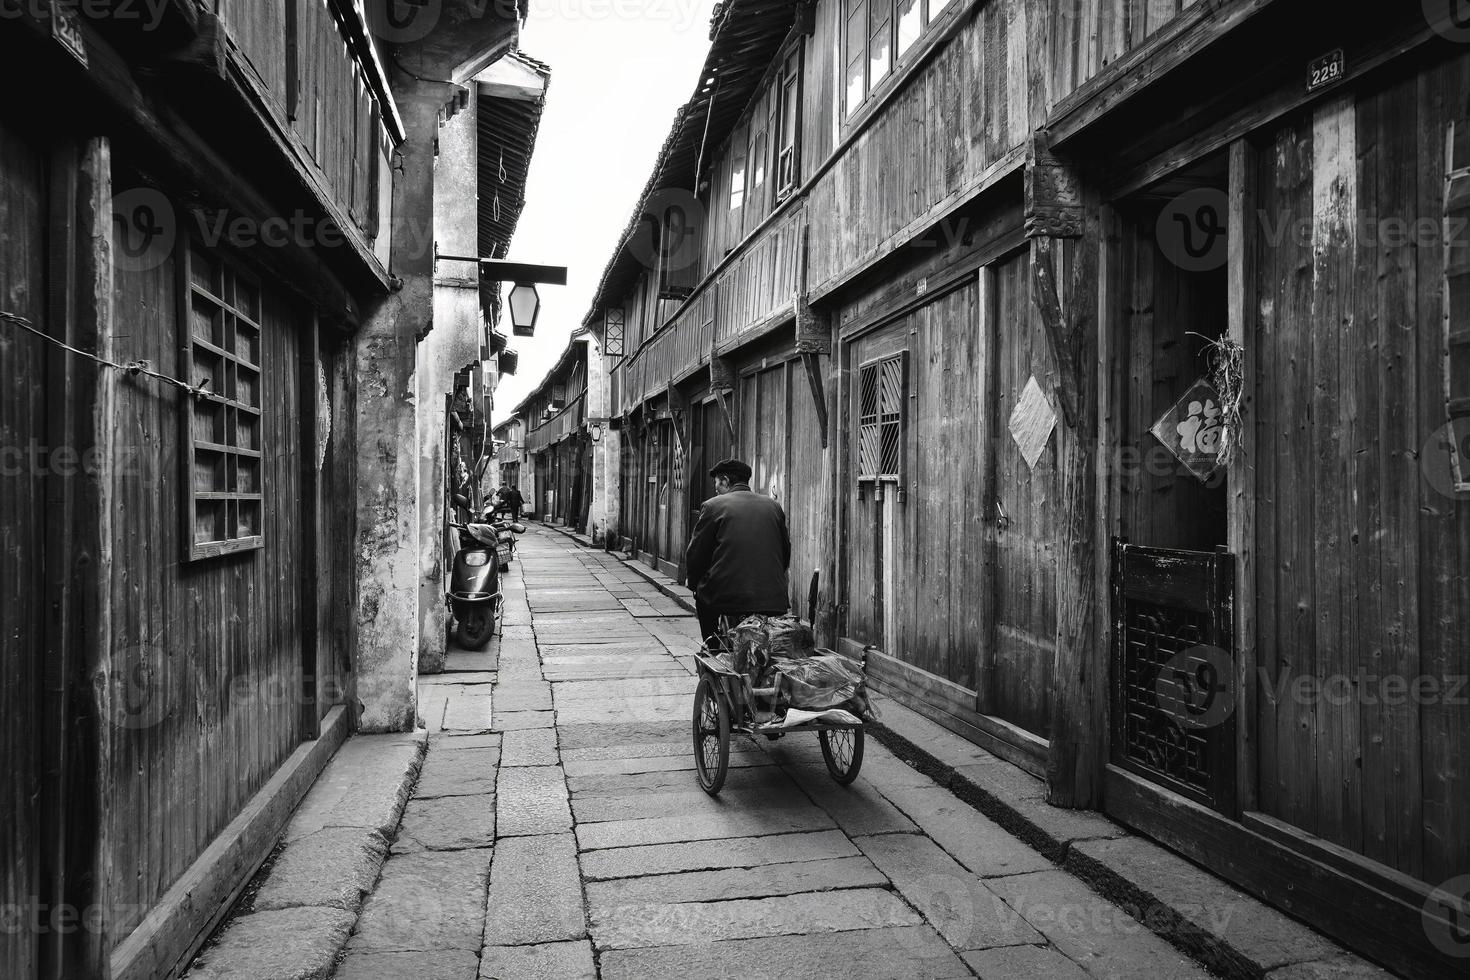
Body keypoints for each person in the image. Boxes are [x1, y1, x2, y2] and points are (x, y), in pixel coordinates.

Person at [685, 458, 790, 649]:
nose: (715, 488)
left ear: (725, 480)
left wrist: (694, 584)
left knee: (702, 599)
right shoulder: (773, 506)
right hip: (773, 597)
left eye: (716, 483)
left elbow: (696, 555)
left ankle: (714, 648)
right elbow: (785, 553)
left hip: (727, 596)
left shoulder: (712, 506)